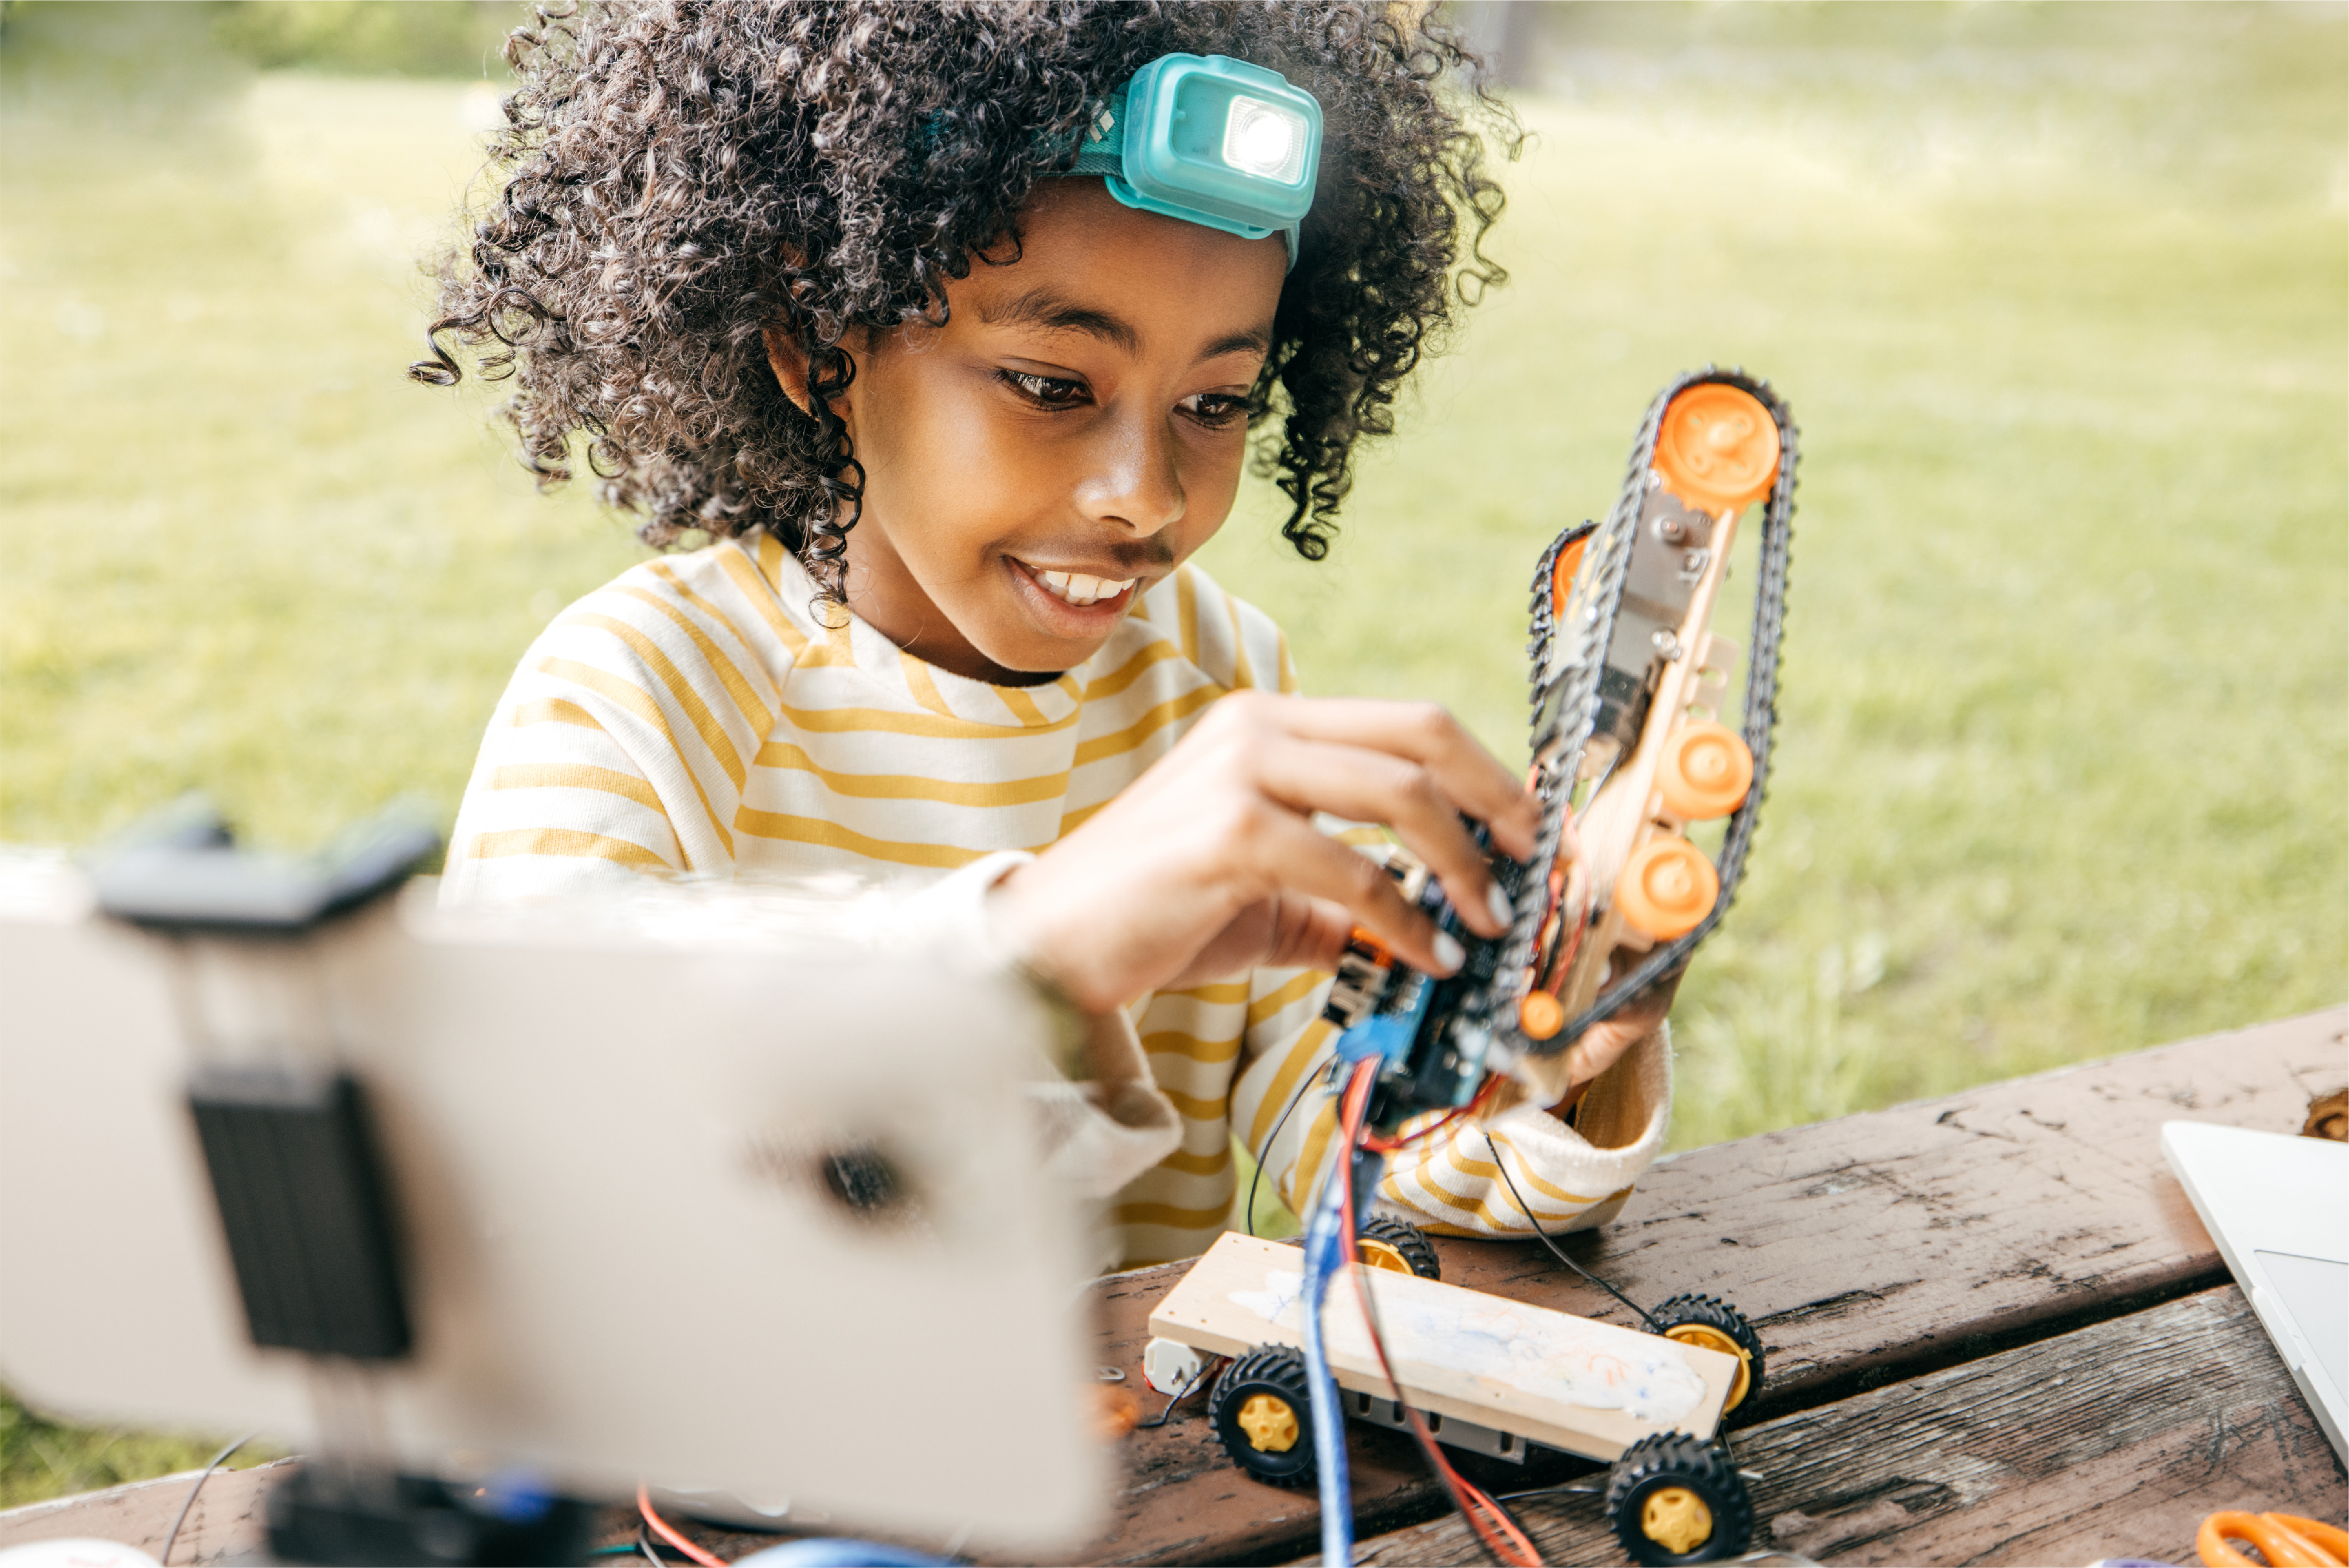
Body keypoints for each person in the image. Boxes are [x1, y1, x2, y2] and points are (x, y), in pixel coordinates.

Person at [421, 0, 1675, 1270]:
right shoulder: (634, 694)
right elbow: (530, 1148)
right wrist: (1023, 949)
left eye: (1216, 401)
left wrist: (1543, 1037)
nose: (1147, 491)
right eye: (1052, 386)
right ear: (814, 342)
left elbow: (1364, 1159)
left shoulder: (1216, 681)